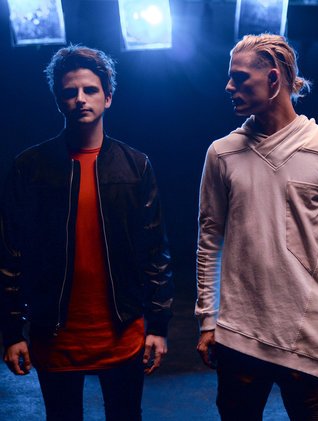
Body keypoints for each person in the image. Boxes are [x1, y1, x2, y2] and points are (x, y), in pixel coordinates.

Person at [0, 45, 174, 421]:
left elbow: (154, 253)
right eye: (70, 92)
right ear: (58, 101)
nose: (80, 99)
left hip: (122, 334)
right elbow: (10, 254)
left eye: (90, 90)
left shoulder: (136, 166)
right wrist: (11, 332)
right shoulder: (30, 167)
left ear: (107, 97)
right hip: (54, 334)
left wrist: (158, 326)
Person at [195, 34, 318, 420]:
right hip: (239, 334)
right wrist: (208, 318)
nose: (228, 87)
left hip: (309, 336)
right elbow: (210, 240)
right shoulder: (222, 153)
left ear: (272, 79)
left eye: (239, 78)